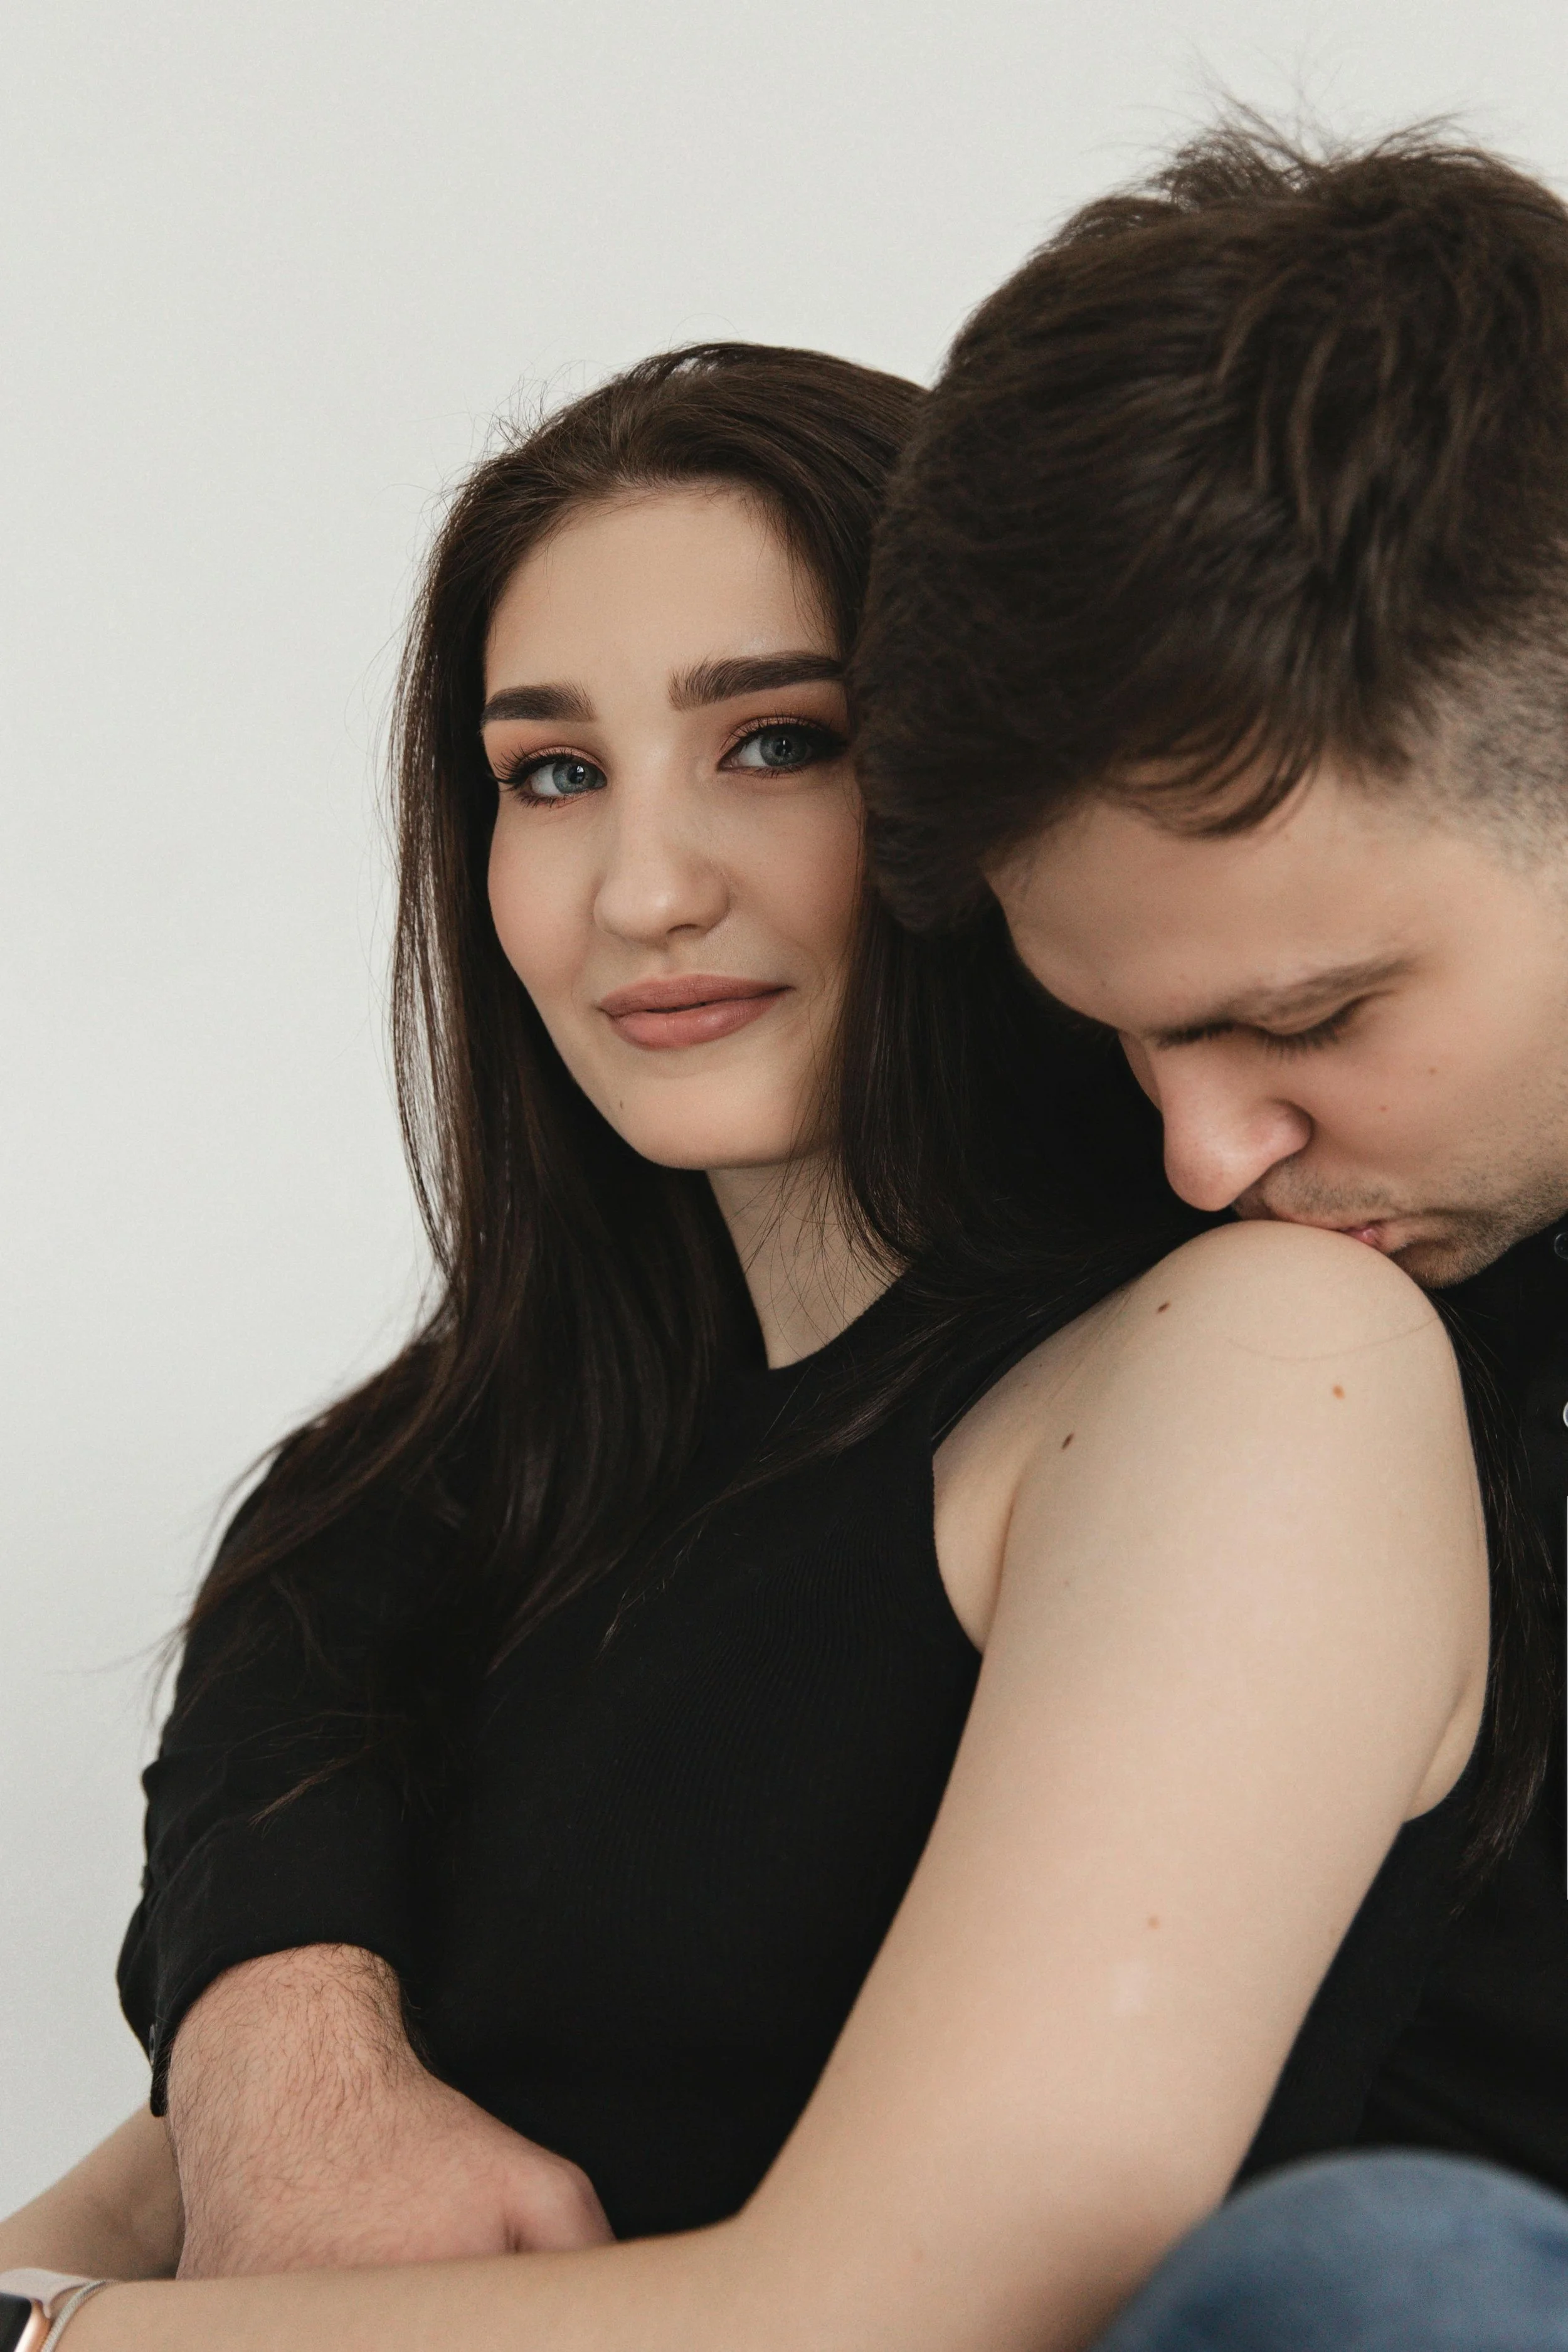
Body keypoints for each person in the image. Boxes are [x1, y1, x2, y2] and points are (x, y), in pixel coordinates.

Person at [0, 338, 1509, 2352]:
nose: (642, 886)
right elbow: (174, 2205)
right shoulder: (467, 1518)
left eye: (775, 742)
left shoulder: (1251, 1356)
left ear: (989, 785)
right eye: (549, 773)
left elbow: (920, 2309)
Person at [854, 117, 1568, 2347]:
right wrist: (292, 1980)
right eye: (1126, 1039)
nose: (1199, 1152)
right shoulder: (1197, 1206)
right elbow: (498, 1487)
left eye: (1306, 1018)